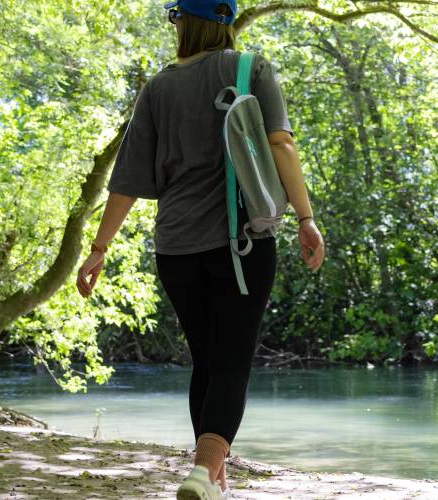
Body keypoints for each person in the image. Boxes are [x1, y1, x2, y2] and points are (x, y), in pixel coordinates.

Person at [75, 1, 325, 498]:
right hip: (240, 244)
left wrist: (99, 248)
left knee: (207, 363)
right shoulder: (250, 68)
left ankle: (211, 477)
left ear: (183, 21)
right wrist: (305, 216)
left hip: (175, 250)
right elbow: (281, 145)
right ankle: (202, 471)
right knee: (231, 364)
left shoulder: (157, 88)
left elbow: (125, 182)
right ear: (225, 21)